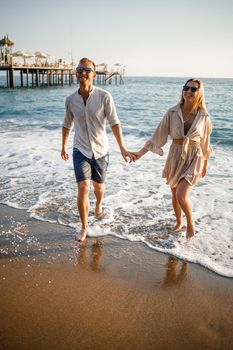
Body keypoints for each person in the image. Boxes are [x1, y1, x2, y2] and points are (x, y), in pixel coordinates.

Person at [61, 57, 134, 242]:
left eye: (87, 70)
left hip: (101, 150)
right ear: (76, 73)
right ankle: (84, 227)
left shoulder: (104, 96)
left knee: (98, 187)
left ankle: (98, 206)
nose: (83, 72)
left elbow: (115, 123)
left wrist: (123, 148)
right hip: (80, 149)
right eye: (80, 69)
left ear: (94, 74)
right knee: (83, 187)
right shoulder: (70, 100)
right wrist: (63, 146)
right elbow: (66, 124)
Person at [133, 78, 212, 239]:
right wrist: (139, 154)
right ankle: (179, 222)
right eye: (186, 88)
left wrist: (205, 165)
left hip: (194, 157)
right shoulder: (171, 112)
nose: (189, 91)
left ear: (199, 93)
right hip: (175, 156)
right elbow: (157, 136)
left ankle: (190, 223)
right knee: (175, 193)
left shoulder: (204, 116)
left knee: (182, 195)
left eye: (193, 89)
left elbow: (205, 144)